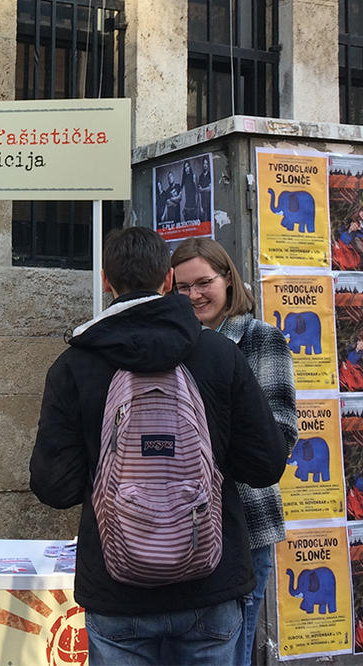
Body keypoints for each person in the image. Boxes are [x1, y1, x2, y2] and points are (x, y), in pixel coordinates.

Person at [29, 226, 288, 665]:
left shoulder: (75, 364)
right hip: (212, 580)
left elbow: (54, 487)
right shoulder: (220, 355)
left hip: (117, 588)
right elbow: (266, 463)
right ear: (169, 281)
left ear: (106, 280)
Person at [171, 237, 297, 665]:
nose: (193, 296)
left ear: (228, 278)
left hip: (246, 519)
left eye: (203, 282)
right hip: (178, 524)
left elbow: (282, 435)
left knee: (234, 650)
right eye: (181, 288)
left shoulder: (261, 339)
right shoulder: (172, 341)